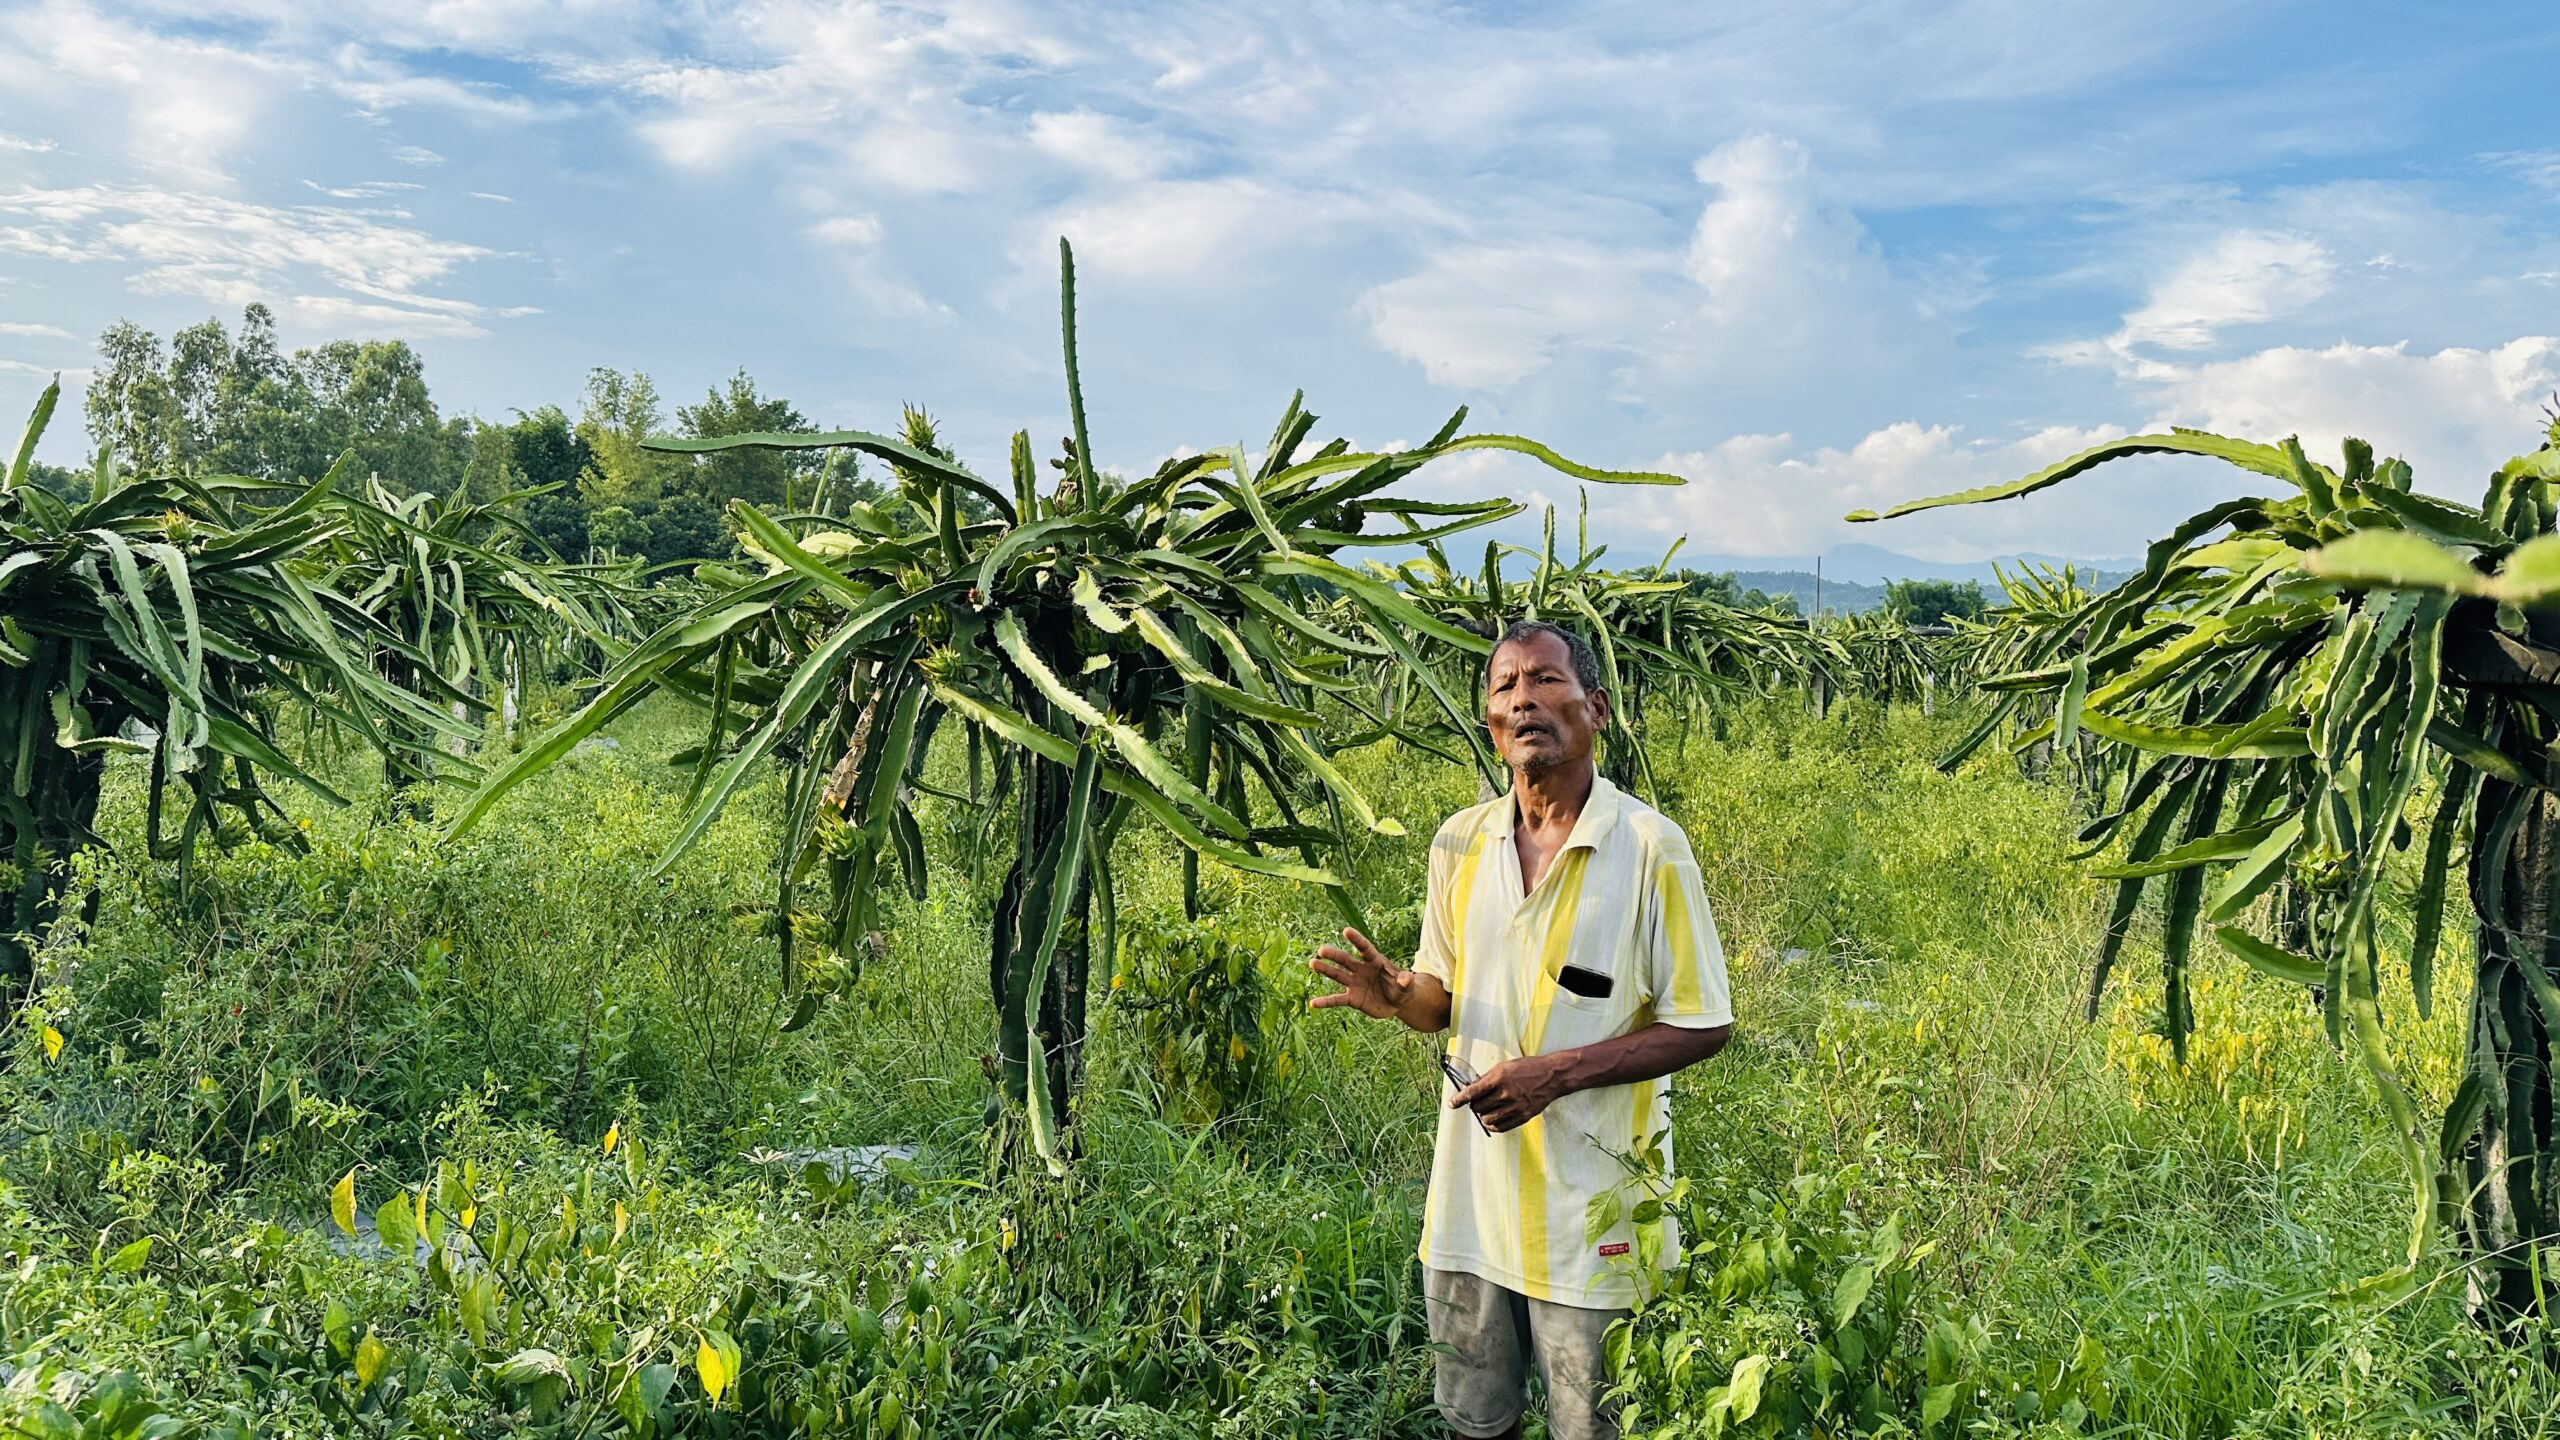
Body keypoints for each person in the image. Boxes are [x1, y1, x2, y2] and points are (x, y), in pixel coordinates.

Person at [1310, 620, 1734, 1440]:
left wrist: (1557, 1073)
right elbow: (1444, 1000)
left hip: (1594, 1226)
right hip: (1469, 1213)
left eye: (1544, 679)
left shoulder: (1649, 849)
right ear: (1489, 722)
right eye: (1503, 687)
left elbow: (1704, 1024)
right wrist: (1400, 996)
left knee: (1596, 1430)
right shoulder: (1459, 841)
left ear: (1596, 707)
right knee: (1477, 1424)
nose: (1523, 700)